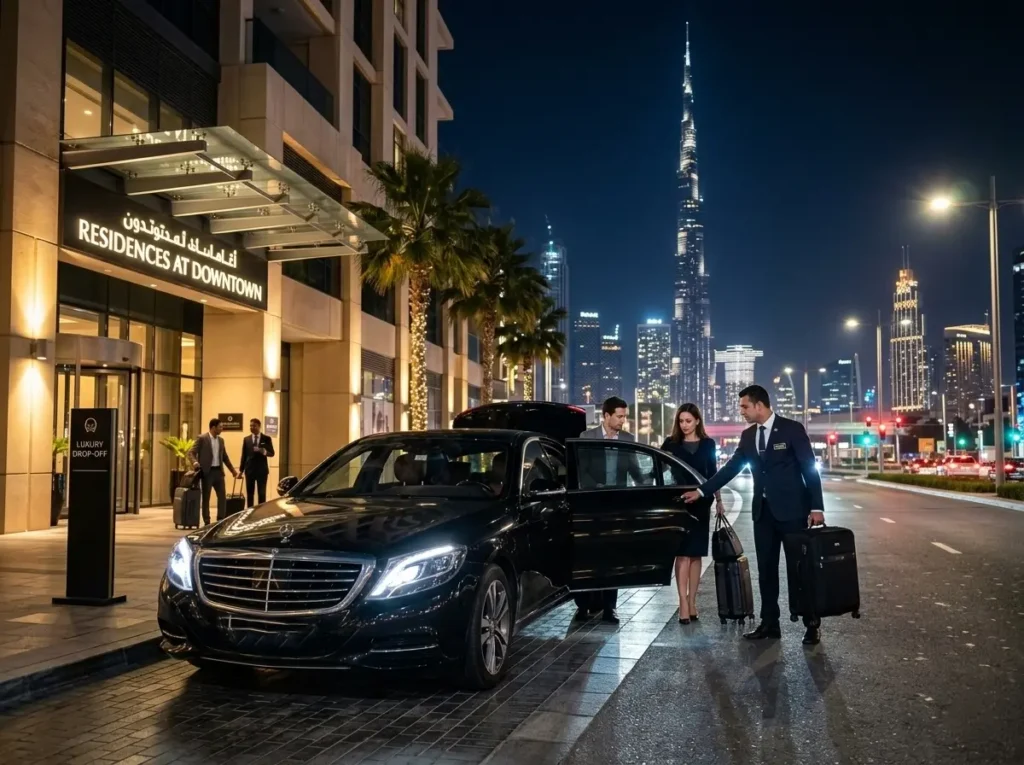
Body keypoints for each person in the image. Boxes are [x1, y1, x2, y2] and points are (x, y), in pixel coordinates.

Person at [682, 384, 825, 646]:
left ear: (759, 405)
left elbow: (809, 468)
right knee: (766, 571)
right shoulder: (748, 436)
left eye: (744, 406)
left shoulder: (792, 429)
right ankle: (770, 623)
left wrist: (817, 507)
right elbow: (731, 468)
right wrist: (702, 492)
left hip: (793, 514)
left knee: (799, 571)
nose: (741, 412)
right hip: (764, 515)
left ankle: (811, 623)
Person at [576, 395, 644, 624]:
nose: (623, 420)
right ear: (606, 416)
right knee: (587, 557)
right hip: (592, 506)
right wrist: (597, 488)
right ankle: (583, 606)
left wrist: (650, 485)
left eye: (624, 416)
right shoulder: (587, 437)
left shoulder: (627, 438)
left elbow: (635, 471)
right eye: (619, 416)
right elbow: (581, 471)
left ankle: (610, 608)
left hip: (617, 508)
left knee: (613, 557)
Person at [661, 403, 723, 625]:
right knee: (682, 554)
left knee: (696, 554)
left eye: (688, 420)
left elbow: (713, 473)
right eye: (681, 421)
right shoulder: (671, 444)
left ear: (697, 420)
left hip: (701, 504)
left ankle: (693, 600)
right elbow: (659, 469)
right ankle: (683, 603)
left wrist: (719, 501)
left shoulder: (708, 444)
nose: (684, 425)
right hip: (679, 504)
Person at [188, 418, 239, 526]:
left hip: (219, 472)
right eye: (220, 427)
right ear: (213, 427)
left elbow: (225, 457)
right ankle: (207, 522)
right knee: (206, 498)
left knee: (222, 497)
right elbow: (191, 452)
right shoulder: (202, 438)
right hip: (207, 472)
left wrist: (233, 471)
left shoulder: (221, 440)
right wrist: (195, 462)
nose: (222, 429)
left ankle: (220, 520)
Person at [239, 418, 275, 508]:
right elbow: (244, 455)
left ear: (259, 426)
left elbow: (272, 453)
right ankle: (249, 512)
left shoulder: (266, 438)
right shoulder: (246, 439)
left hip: (262, 471)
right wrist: (241, 470)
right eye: (250, 426)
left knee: (262, 494)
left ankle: (261, 513)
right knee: (250, 494)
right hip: (249, 471)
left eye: (254, 426)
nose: (252, 427)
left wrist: (263, 452)